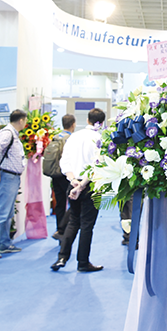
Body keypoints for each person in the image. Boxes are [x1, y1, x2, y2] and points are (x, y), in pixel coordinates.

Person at [51, 108, 105, 272]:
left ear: (88, 120)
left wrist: (73, 181)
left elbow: (64, 162)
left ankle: (62, 257)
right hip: (91, 185)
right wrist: (82, 185)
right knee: (87, 225)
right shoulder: (99, 138)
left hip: (73, 183)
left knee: (73, 221)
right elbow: (97, 165)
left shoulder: (74, 137)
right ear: (102, 123)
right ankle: (83, 262)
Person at [0, 109, 28, 260]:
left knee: (7, 213)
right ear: (21, 120)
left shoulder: (13, 134)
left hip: (12, 178)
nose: (25, 123)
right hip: (6, 178)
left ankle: (5, 244)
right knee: (0, 213)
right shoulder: (7, 133)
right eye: (25, 120)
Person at [50, 114, 76, 241]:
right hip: (67, 175)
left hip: (55, 174)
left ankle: (59, 228)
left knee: (60, 203)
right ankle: (62, 230)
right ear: (73, 124)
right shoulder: (71, 139)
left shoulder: (55, 137)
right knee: (73, 203)